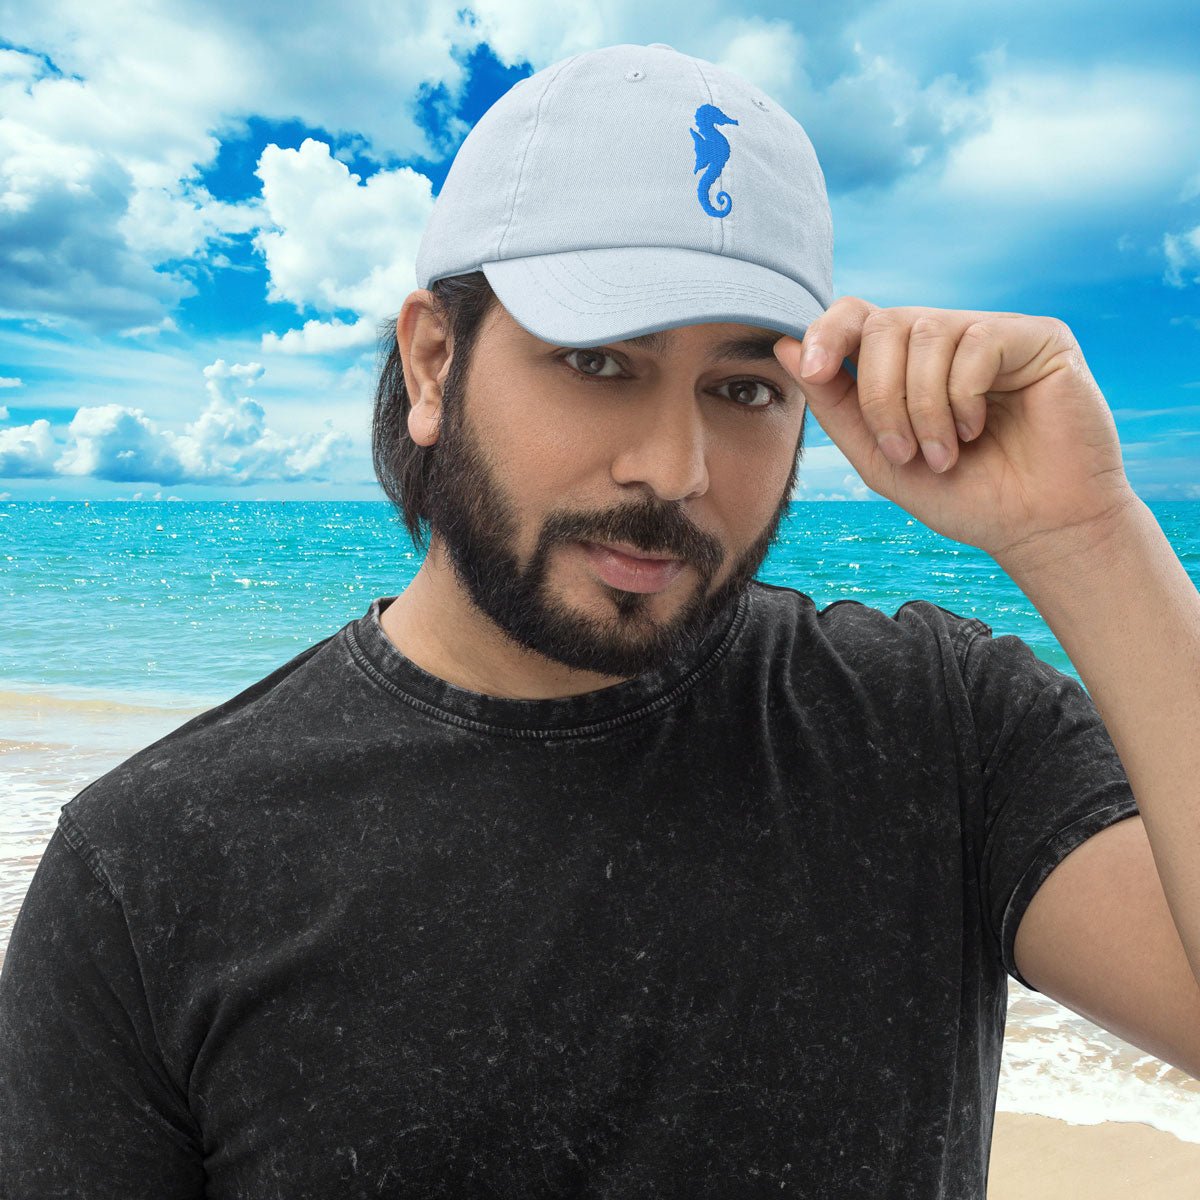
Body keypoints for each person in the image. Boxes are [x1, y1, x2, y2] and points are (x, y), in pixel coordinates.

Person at [3, 41, 1198, 1200]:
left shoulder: (932, 728)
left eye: (744, 390)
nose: (675, 468)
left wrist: (1087, 538)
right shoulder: (150, 870)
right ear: (431, 364)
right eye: (598, 361)